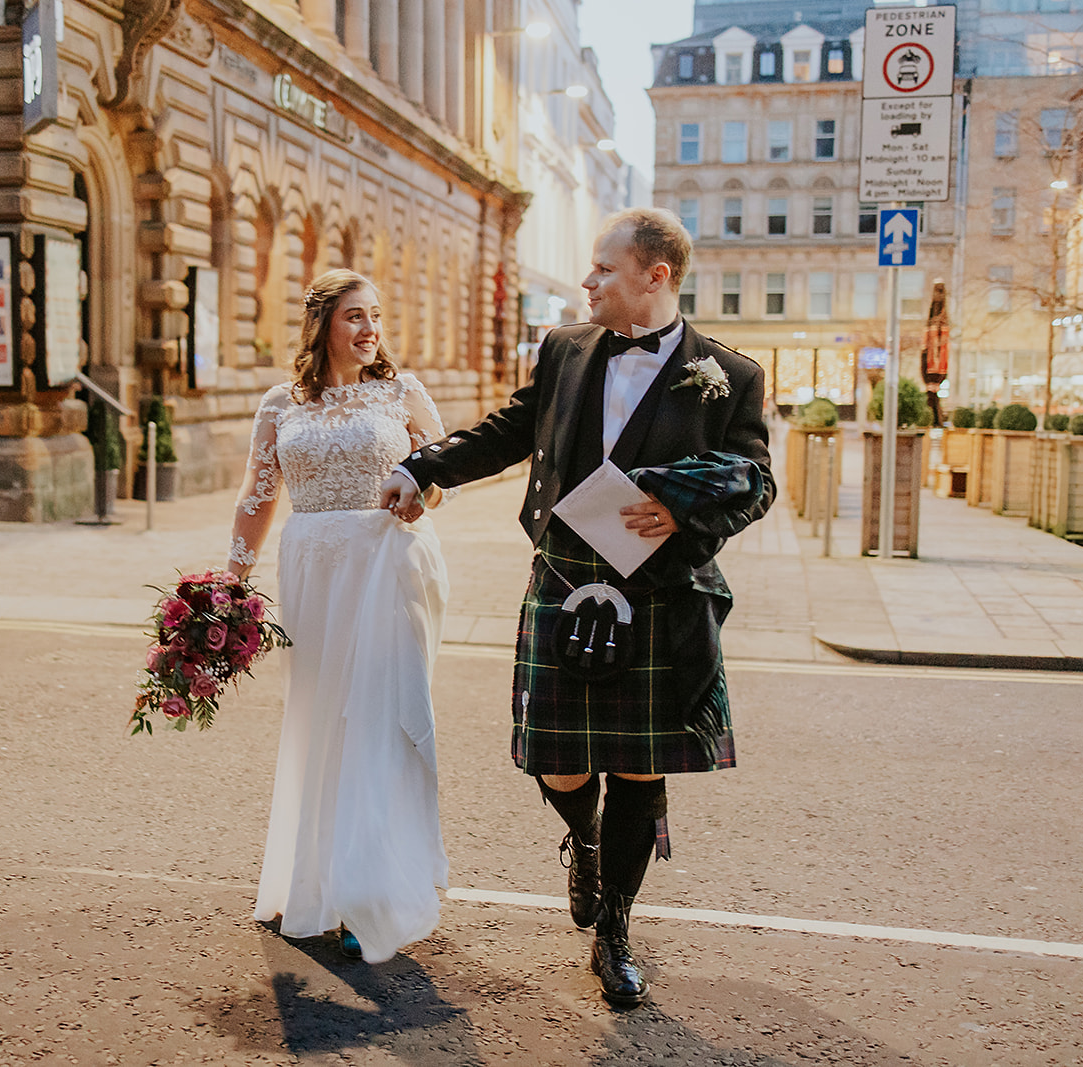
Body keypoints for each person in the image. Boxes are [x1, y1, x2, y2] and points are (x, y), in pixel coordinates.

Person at [380, 207, 775, 1006]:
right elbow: (512, 429)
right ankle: (584, 839)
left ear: (653, 276)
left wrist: (683, 509)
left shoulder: (729, 374)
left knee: (636, 763)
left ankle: (617, 928)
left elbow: (755, 481)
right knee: (558, 760)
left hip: (658, 589)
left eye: (601, 268)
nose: (586, 281)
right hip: (565, 575)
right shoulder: (565, 349)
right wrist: (427, 466)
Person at [227, 268, 451, 964]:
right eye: (355, 315)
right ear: (323, 323)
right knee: (322, 718)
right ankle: (316, 878)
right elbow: (258, 495)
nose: (369, 329)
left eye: (376, 316)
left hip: (386, 565)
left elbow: (440, 472)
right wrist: (229, 579)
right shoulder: (279, 403)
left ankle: (367, 890)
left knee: (376, 719)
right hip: (314, 569)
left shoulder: (402, 391)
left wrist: (420, 495)